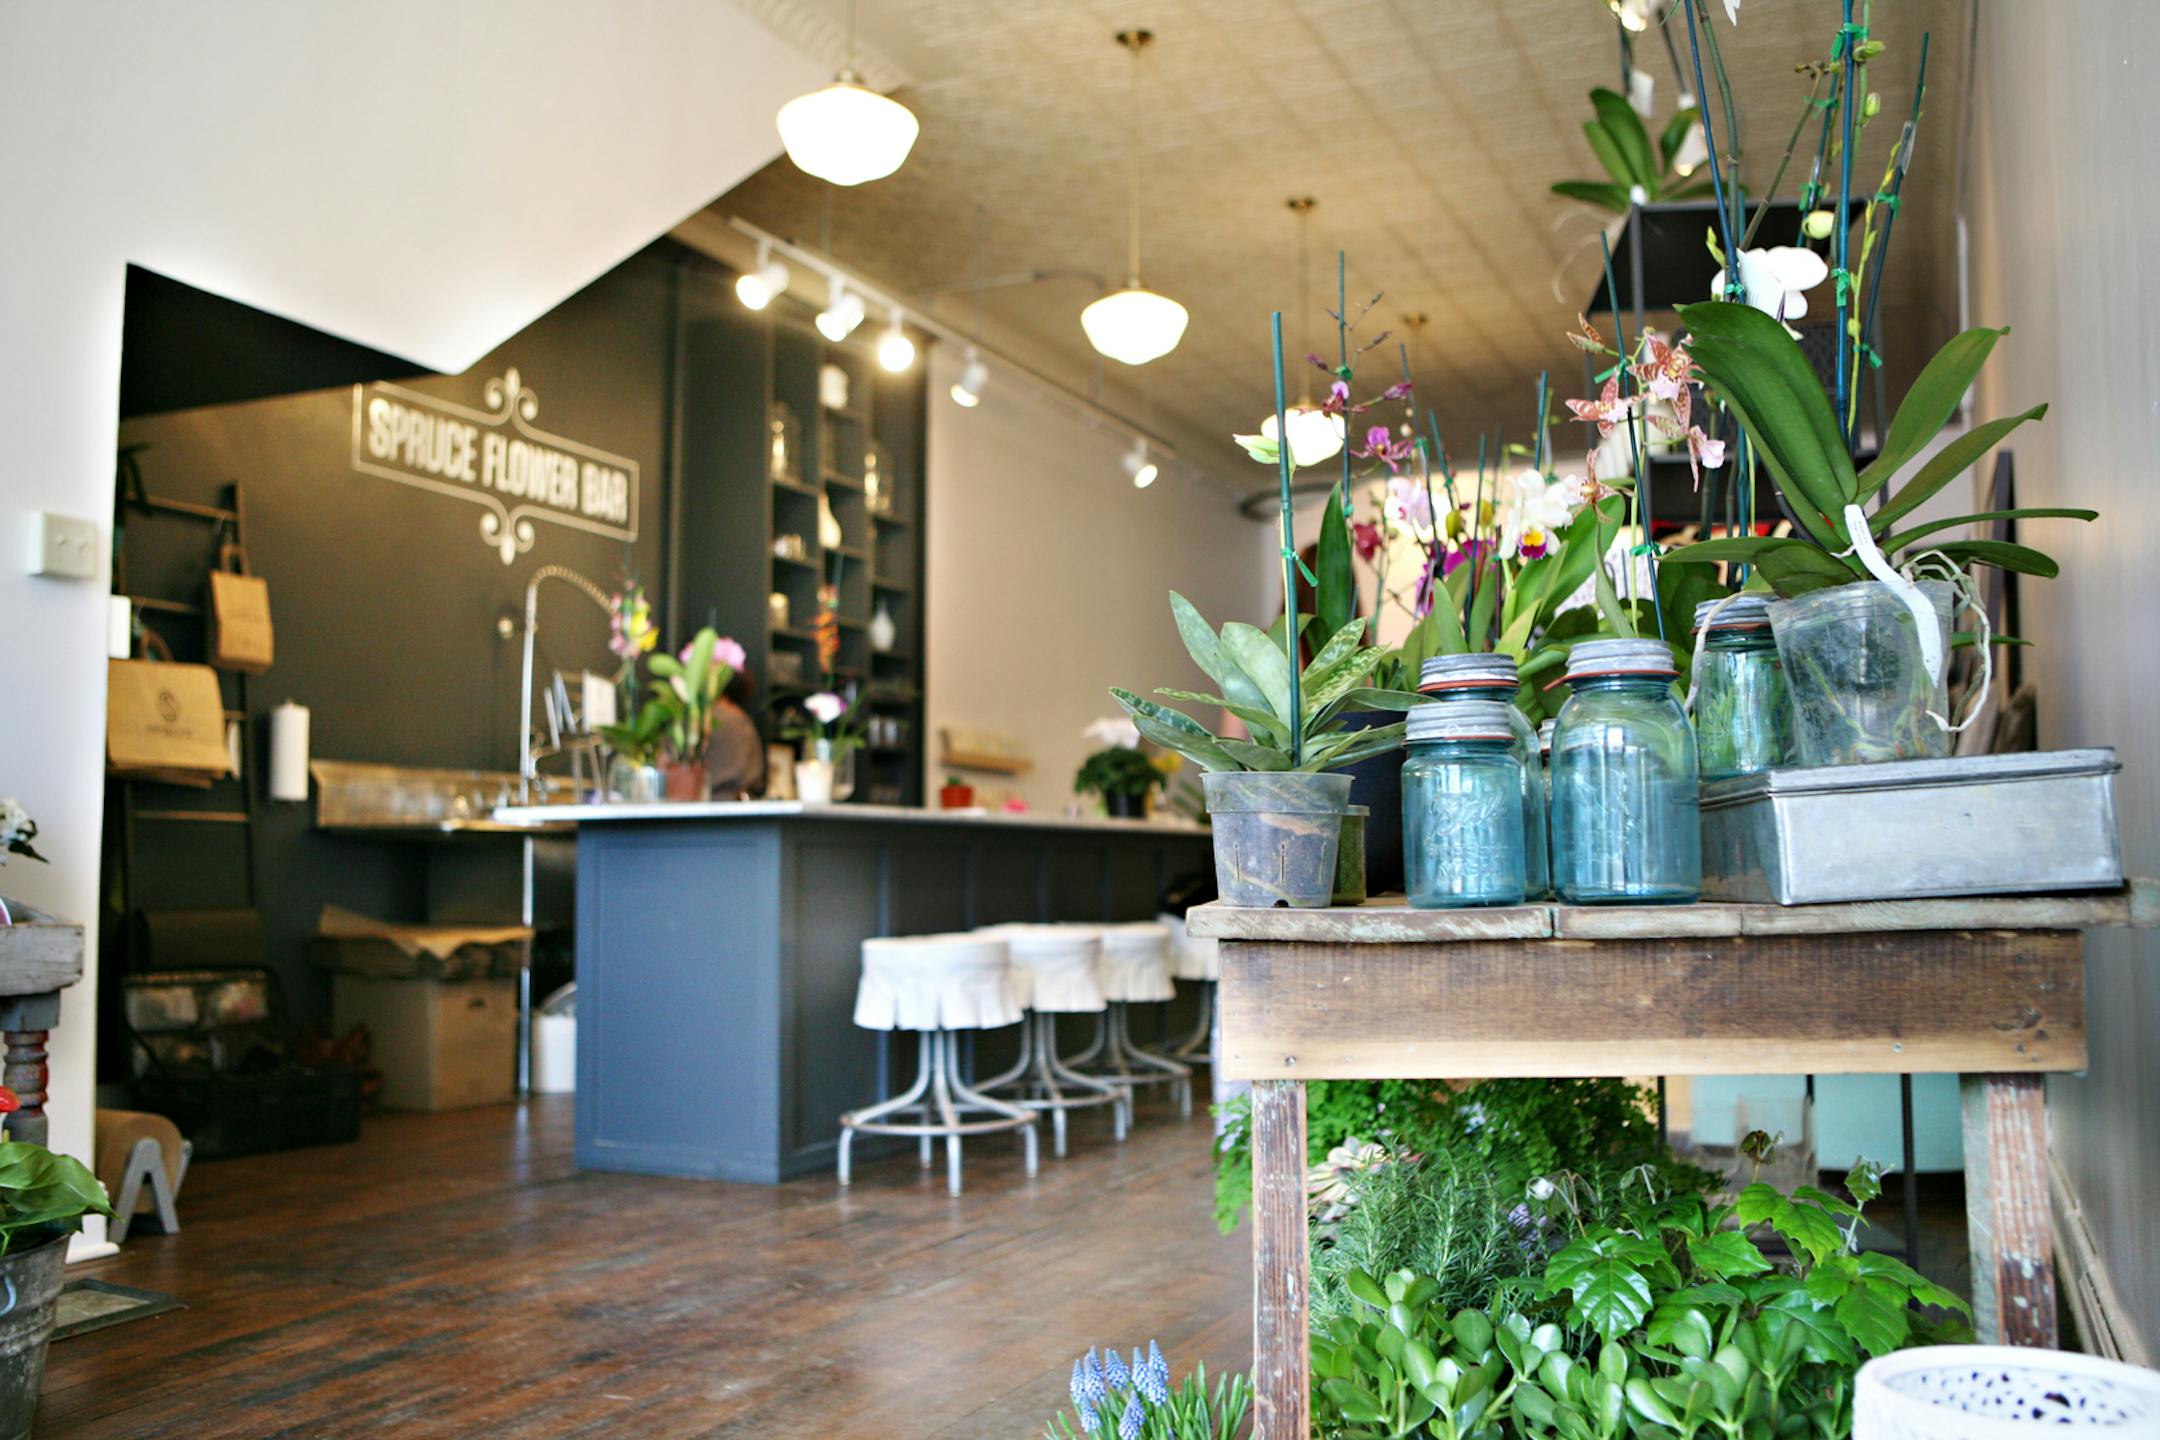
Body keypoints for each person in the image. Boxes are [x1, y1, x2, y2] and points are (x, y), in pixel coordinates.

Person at [704, 669, 766, 798]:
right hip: (738, 804)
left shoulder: (704, 718)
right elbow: (756, 773)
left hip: (707, 804)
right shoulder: (743, 720)